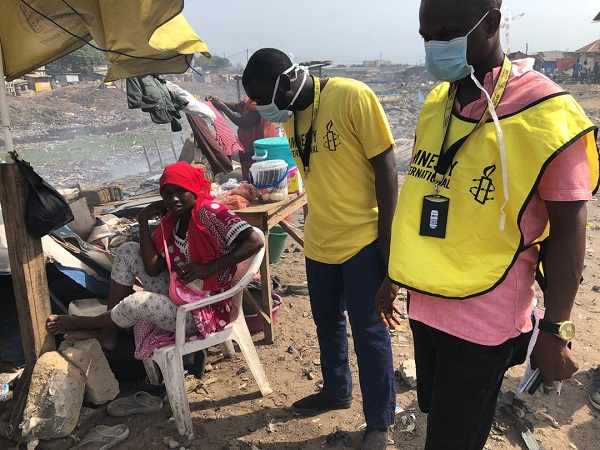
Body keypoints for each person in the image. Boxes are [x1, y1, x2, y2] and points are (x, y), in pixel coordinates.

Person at [376, 1, 599, 449]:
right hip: (426, 300)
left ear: (492, 24)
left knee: (453, 439)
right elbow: (422, 195)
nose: (435, 47)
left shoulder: (548, 113)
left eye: (447, 32)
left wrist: (556, 330)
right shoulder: (438, 102)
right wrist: (393, 277)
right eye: (426, 37)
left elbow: (570, 231)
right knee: (439, 414)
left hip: (484, 313)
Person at [243, 48, 398, 449]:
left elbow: (386, 167)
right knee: (326, 322)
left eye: (266, 99)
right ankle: (336, 390)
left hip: (363, 239)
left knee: (369, 332)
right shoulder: (292, 116)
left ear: (289, 80)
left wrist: (388, 242)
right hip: (320, 241)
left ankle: (379, 422)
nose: (265, 109)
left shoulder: (352, 96)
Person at [47, 162, 263, 352]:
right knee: (128, 250)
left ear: (194, 189)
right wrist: (142, 220)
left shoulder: (210, 211)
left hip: (203, 307)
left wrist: (208, 268)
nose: (174, 199)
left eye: (181, 191)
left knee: (137, 302)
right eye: (167, 194)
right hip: (181, 291)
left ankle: (97, 324)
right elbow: (152, 268)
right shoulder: (173, 219)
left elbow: (255, 241)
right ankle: (109, 330)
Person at [206, 95, 277, 180]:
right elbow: (237, 106)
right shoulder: (250, 100)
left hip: (261, 158)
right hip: (247, 158)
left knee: (261, 185)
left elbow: (243, 121)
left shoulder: (263, 102)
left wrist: (223, 107)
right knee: (249, 187)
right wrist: (217, 101)